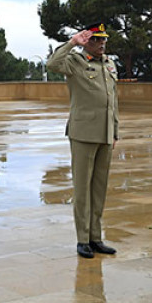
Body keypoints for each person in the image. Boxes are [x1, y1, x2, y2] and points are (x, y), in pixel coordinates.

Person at [47, 25, 120, 259]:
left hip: (105, 133)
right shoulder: (75, 62)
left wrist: (115, 131)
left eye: (104, 40)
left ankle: (96, 238)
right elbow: (52, 64)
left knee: (99, 189)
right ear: (87, 41)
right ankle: (82, 240)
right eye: (96, 40)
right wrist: (72, 43)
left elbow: (114, 102)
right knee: (82, 190)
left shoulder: (109, 64)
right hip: (83, 133)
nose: (101, 44)